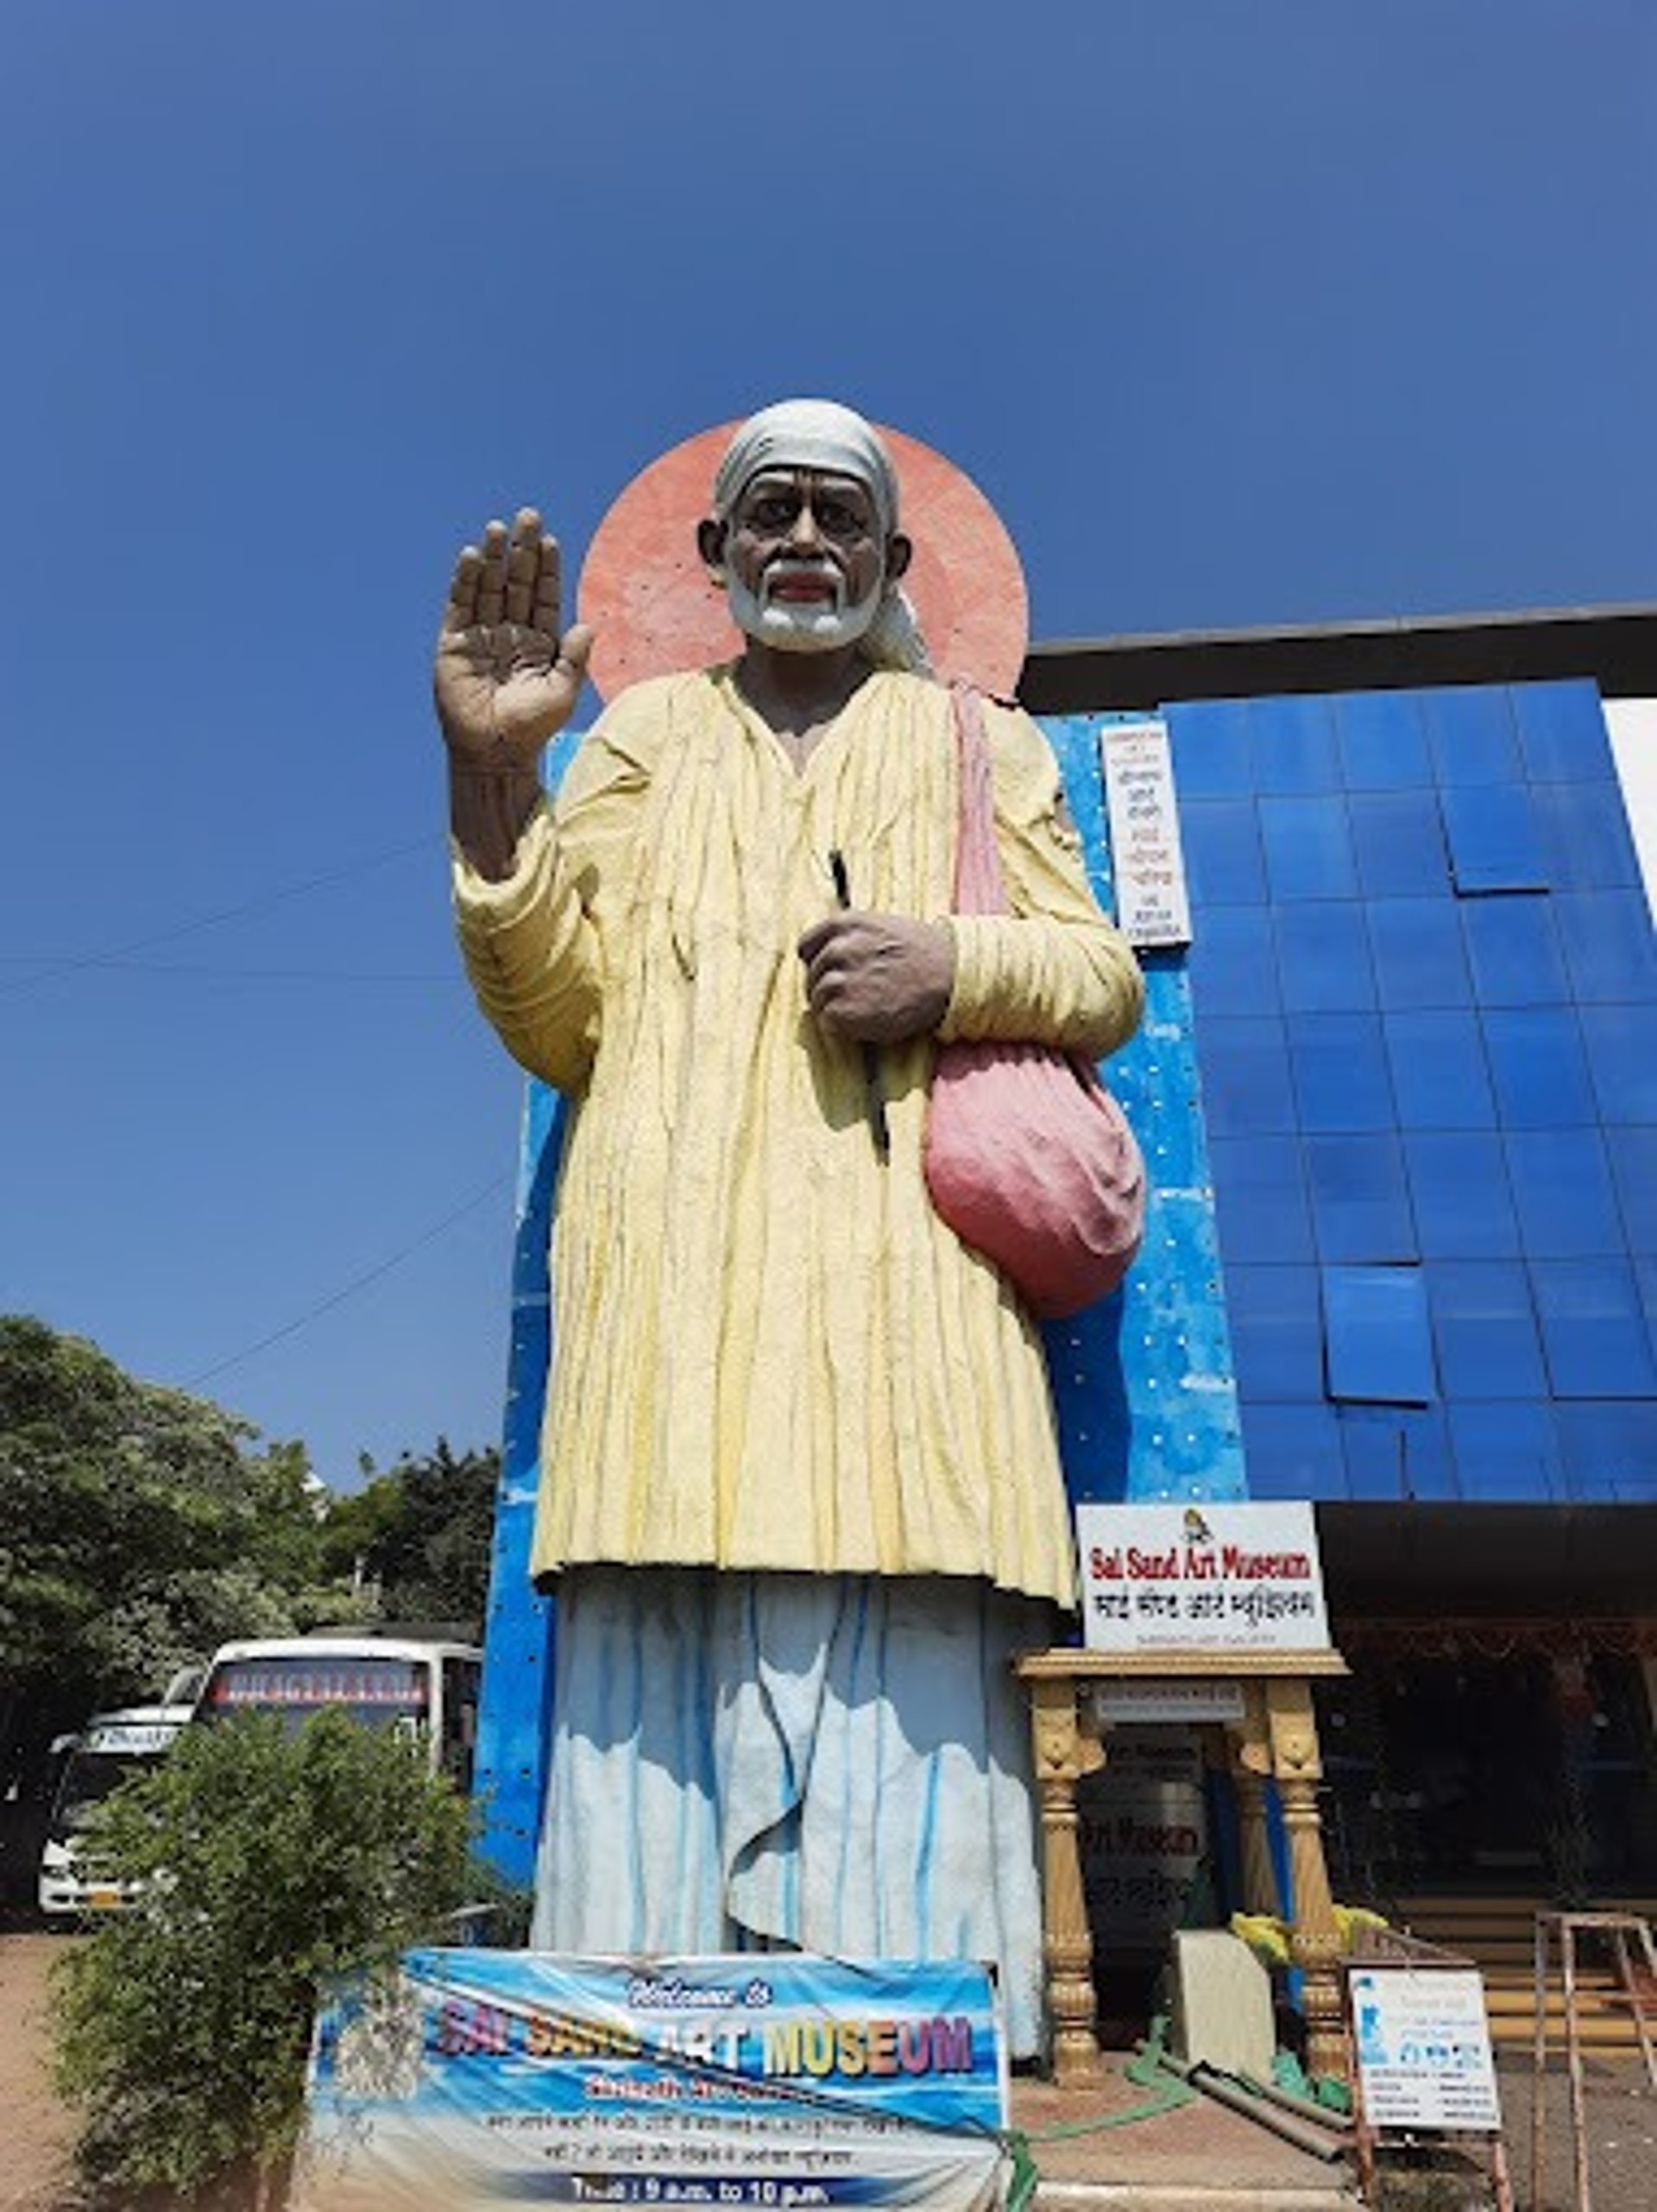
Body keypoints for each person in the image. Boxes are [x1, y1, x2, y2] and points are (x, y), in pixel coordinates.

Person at [438, 400, 1143, 2052]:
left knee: (905, 1785)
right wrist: (492, 777)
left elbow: (1099, 973)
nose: (805, 540)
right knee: (643, 1812)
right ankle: (642, 2070)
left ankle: (912, 2087)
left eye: (840, 513)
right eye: (772, 513)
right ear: (716, 553)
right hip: (671, 1314)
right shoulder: (643, 741)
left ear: (897, 558)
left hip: (902, 1323)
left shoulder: (980, 742)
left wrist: (951, 965)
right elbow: (555, 1018)